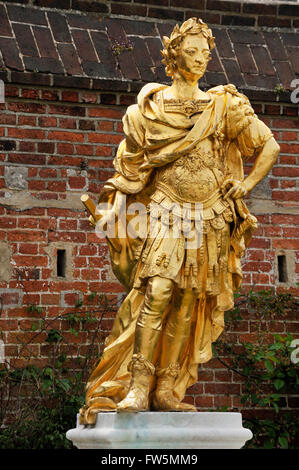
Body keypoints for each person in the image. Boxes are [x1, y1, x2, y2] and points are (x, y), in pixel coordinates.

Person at [79, 17, 280, 425]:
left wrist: (247, 186)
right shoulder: (150, 109)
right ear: (174, 56)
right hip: (167, 209)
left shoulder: (222, 104)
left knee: (189, 299)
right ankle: (137, 384)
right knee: (157, 292)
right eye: (192, 51)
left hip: (210, 214)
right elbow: (131, 168)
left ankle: (168, 389)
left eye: (206, 52)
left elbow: (269, 145)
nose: (201, 59)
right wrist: (116, 210)